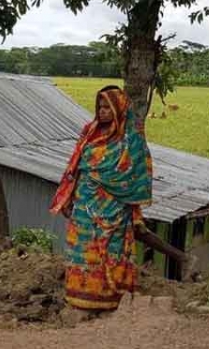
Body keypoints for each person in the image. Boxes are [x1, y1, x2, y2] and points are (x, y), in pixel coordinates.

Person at [50, 86, 158, 313]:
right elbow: (76, 163)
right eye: (100, 106)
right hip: (85, 202)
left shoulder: (131, 138)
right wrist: (68, 195)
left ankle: (109, 300)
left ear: (119, 108)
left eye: (108, 107)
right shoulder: (90, 131)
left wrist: (131, 206)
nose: (102, 111)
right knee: (83, 250)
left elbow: (138, 175)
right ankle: (78, 298)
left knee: (111, 250)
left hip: (115, 207)